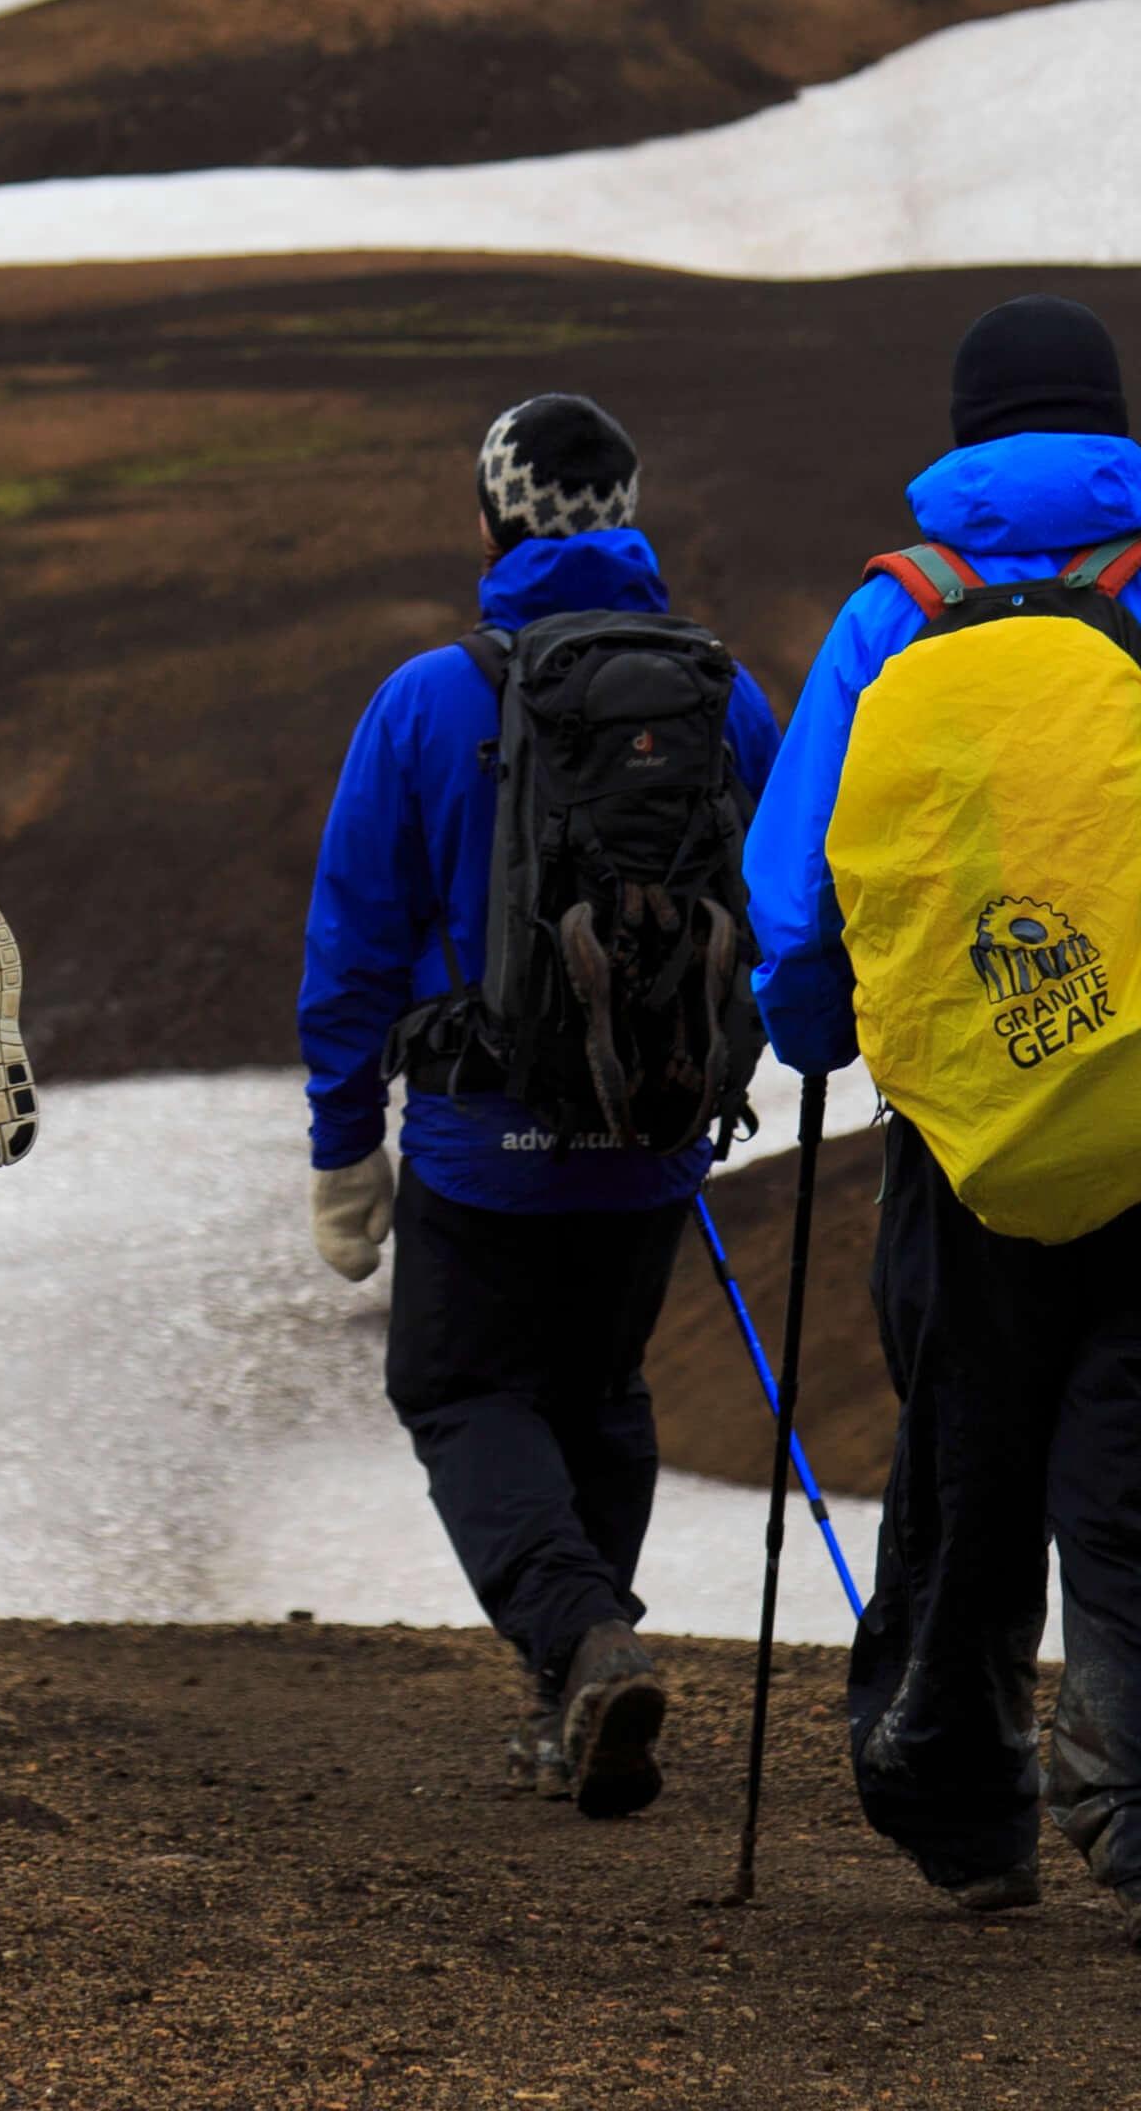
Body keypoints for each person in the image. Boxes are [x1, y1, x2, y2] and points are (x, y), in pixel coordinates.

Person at [742, 294, 1141, 1953]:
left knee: (972, 1458)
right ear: (1114, 426)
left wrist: (827, 1040)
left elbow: (800, 893)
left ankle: (968, 1812)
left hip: (971, 1129)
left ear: (962, 441)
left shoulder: (894, 616)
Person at [301, 392, 781, 1815]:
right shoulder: (724, 695)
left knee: (456, 1386)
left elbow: (352, 943)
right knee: (600, 1389)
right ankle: (584, 1680)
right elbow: (779, 898)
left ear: (494, 515)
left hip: (483, 1133)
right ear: (627, 516)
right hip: (653, 1135)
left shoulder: (431, 699)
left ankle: (582, 1648)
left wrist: (344, 1151)